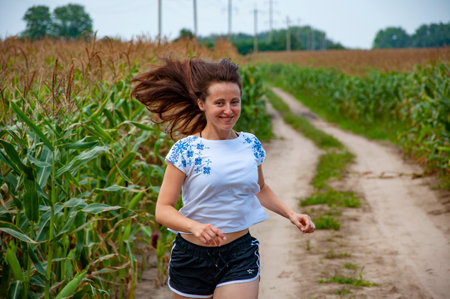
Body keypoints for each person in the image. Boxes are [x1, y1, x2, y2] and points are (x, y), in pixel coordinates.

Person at [131, 58, 315, 299]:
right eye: (219, 103)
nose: (228, 110)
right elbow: (163, 210)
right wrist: (195, 226)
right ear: (201, 104)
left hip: (239, 254)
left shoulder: (250, 144)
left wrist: (291, 214)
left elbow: (259, 188)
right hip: (191, 258)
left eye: (234, 102)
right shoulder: (185, 150)